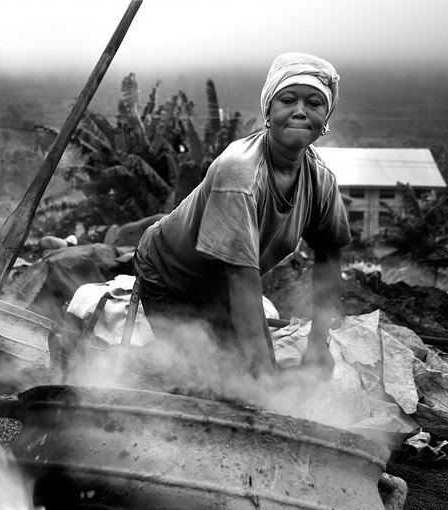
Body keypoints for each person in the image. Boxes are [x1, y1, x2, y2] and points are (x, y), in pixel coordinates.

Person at [133, 52, 351, 378]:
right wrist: (265, 373)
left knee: (243, 377)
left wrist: (319, 343)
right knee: (203, 382)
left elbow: (329, 259)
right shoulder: (240, 172)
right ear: (268, 112)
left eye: (314, 103)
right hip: (171, 275)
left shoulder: (321, 180)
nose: (300, 111)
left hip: (223, 285)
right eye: (288, 100)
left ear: (325, 119)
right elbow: (241, 277)